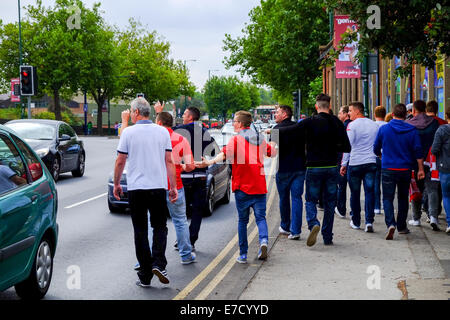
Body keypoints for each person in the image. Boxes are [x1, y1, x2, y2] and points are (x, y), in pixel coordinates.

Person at [196, 111, 277, 263]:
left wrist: (209, 162)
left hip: (242, 187)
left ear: (240, 124)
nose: (233, 123)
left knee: (242, 221)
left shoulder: (235, 140)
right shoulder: (259, 139)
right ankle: (264, 241)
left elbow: (224, 155)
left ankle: (243, 254)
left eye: (234, 121)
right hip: (259, 186)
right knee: (260, 218)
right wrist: (273, 143)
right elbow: (271, 153)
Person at [113, 97, 178, 288]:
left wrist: (117, 184)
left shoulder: (128, 133)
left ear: (135, 112)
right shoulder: (162, 132)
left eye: (131, 112)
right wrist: (173, 187)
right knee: (160, 226)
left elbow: (120, 161)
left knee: (140, 230)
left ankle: (145, 274)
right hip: (158, 187)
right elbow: (169, 161)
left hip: (136, 189)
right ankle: (159, 263)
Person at [121, 110, 197, 265]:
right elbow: (190, 166)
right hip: (175, 186)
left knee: (149, 224)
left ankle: (144, 259)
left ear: (160, 123)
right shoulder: (181, 139)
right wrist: (181, 167)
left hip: (154, 186)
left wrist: (125, 120)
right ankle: (186, 254)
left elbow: (124, 144)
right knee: (180, 221)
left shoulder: (151, 137)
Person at [277, 94, 351, 246]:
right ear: (329, 106)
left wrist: (272, 133)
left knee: (310, 200)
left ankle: (313, 223)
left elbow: (291, 130)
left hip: (313, 167)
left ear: (317, 107)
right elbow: (346, 147)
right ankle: (327, 237)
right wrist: (332, 147)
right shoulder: (337, 122)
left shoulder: (309, 122)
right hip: (331, 167)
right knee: (330, 202)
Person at [155, 104, 216, 251]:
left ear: (190, 117)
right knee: (197, 211)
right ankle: (191, 240)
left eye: (184, 114)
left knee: (181, 214)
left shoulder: (179, 131)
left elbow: (165, 129)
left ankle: (183, 241)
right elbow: (213, 152)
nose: (182, 116)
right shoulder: (204, 131)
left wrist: (159, 112)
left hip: (184, 175)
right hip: (200, 176)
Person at [374, 103, 425, 240]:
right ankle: (402, 226)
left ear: (392, 114)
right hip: (405, 168)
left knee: (387, 198)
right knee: (403, 198)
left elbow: (375, 147)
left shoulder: (384, 129)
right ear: (406, 114)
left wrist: (381, 155)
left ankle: (390, 223)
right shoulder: (412, 130)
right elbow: (418, 151)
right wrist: (420, 169)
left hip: (388, 168)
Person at [340, 102, 379, 232]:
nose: (348, 113)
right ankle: (369, 221)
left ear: (357, 111)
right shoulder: (373, 125)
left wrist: (343, 164)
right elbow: (378, 144)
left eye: (350, 110)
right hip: (370, 162)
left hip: (355, 163)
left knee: (355, 194)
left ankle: (356, 221)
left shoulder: (352, 125)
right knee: (369, 192)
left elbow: (347, 146)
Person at [272, 105, 306, 240]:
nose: (275, 115)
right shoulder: (299, 128)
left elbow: (272, 151)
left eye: (277, 112)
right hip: (299, 167)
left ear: (285, 114)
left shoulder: (276, 129)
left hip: (283, 169)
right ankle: (296, 230)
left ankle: (285, 226)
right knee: (297, 198)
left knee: (284, 198)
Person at [406, 100, 439, 227]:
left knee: (414, 190)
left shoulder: (409, 125)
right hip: (431, 161)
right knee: (432, 190)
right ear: (425, 109)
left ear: (413, 110)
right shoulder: (434, 123)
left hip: (413, 162)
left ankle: (416, 218)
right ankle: (433, 217)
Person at [430, 107, 450, 234]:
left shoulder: (442, 130)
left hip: (445, 167)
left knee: (447, 196)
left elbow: (434, 149)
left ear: (447, 116)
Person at [335, 105, 351, 218]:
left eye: (340, 113)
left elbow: (272, 153)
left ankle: (341, 209)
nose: (339, 115)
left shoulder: (344, 127)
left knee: (342, 185)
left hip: (343, 160)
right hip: (354, 159)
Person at [373, 106, 388, 215]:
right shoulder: (388, 126)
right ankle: (385, 204)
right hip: (386, 156)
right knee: (386, 182)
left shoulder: (372, 125)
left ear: (375, 114)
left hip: (375, 156)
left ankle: (376, 206)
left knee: (375, 181)